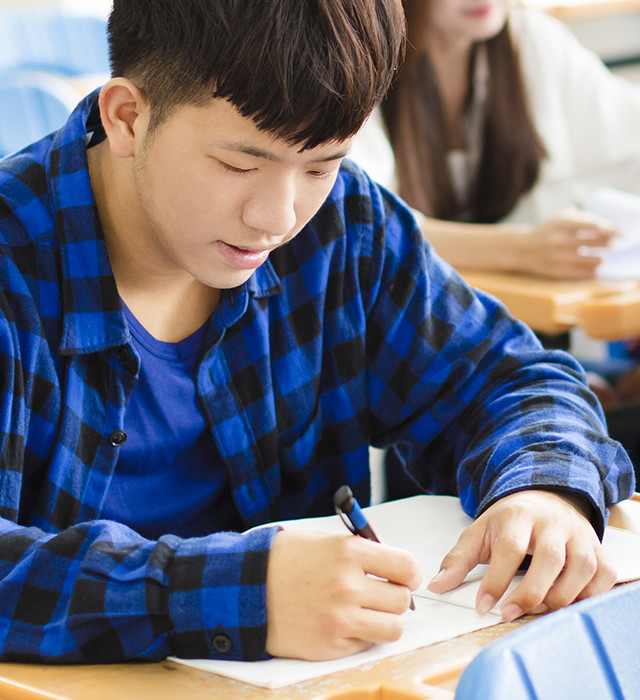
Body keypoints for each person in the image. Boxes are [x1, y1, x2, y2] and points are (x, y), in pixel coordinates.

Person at [0, 0, 633, 666]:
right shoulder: (15, 259)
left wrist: (543, 490)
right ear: (126, 116)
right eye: (239, 166)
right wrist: (227, 593)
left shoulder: (344, 224)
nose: (277, 218)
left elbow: (508, 379)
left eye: (319, 166)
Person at [351, 0, 640, 280]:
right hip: (412, 312)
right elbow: (366, 223)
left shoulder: (530, 38)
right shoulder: (361, 64)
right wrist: (524, 249)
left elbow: (627, 127)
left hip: (525, 311)